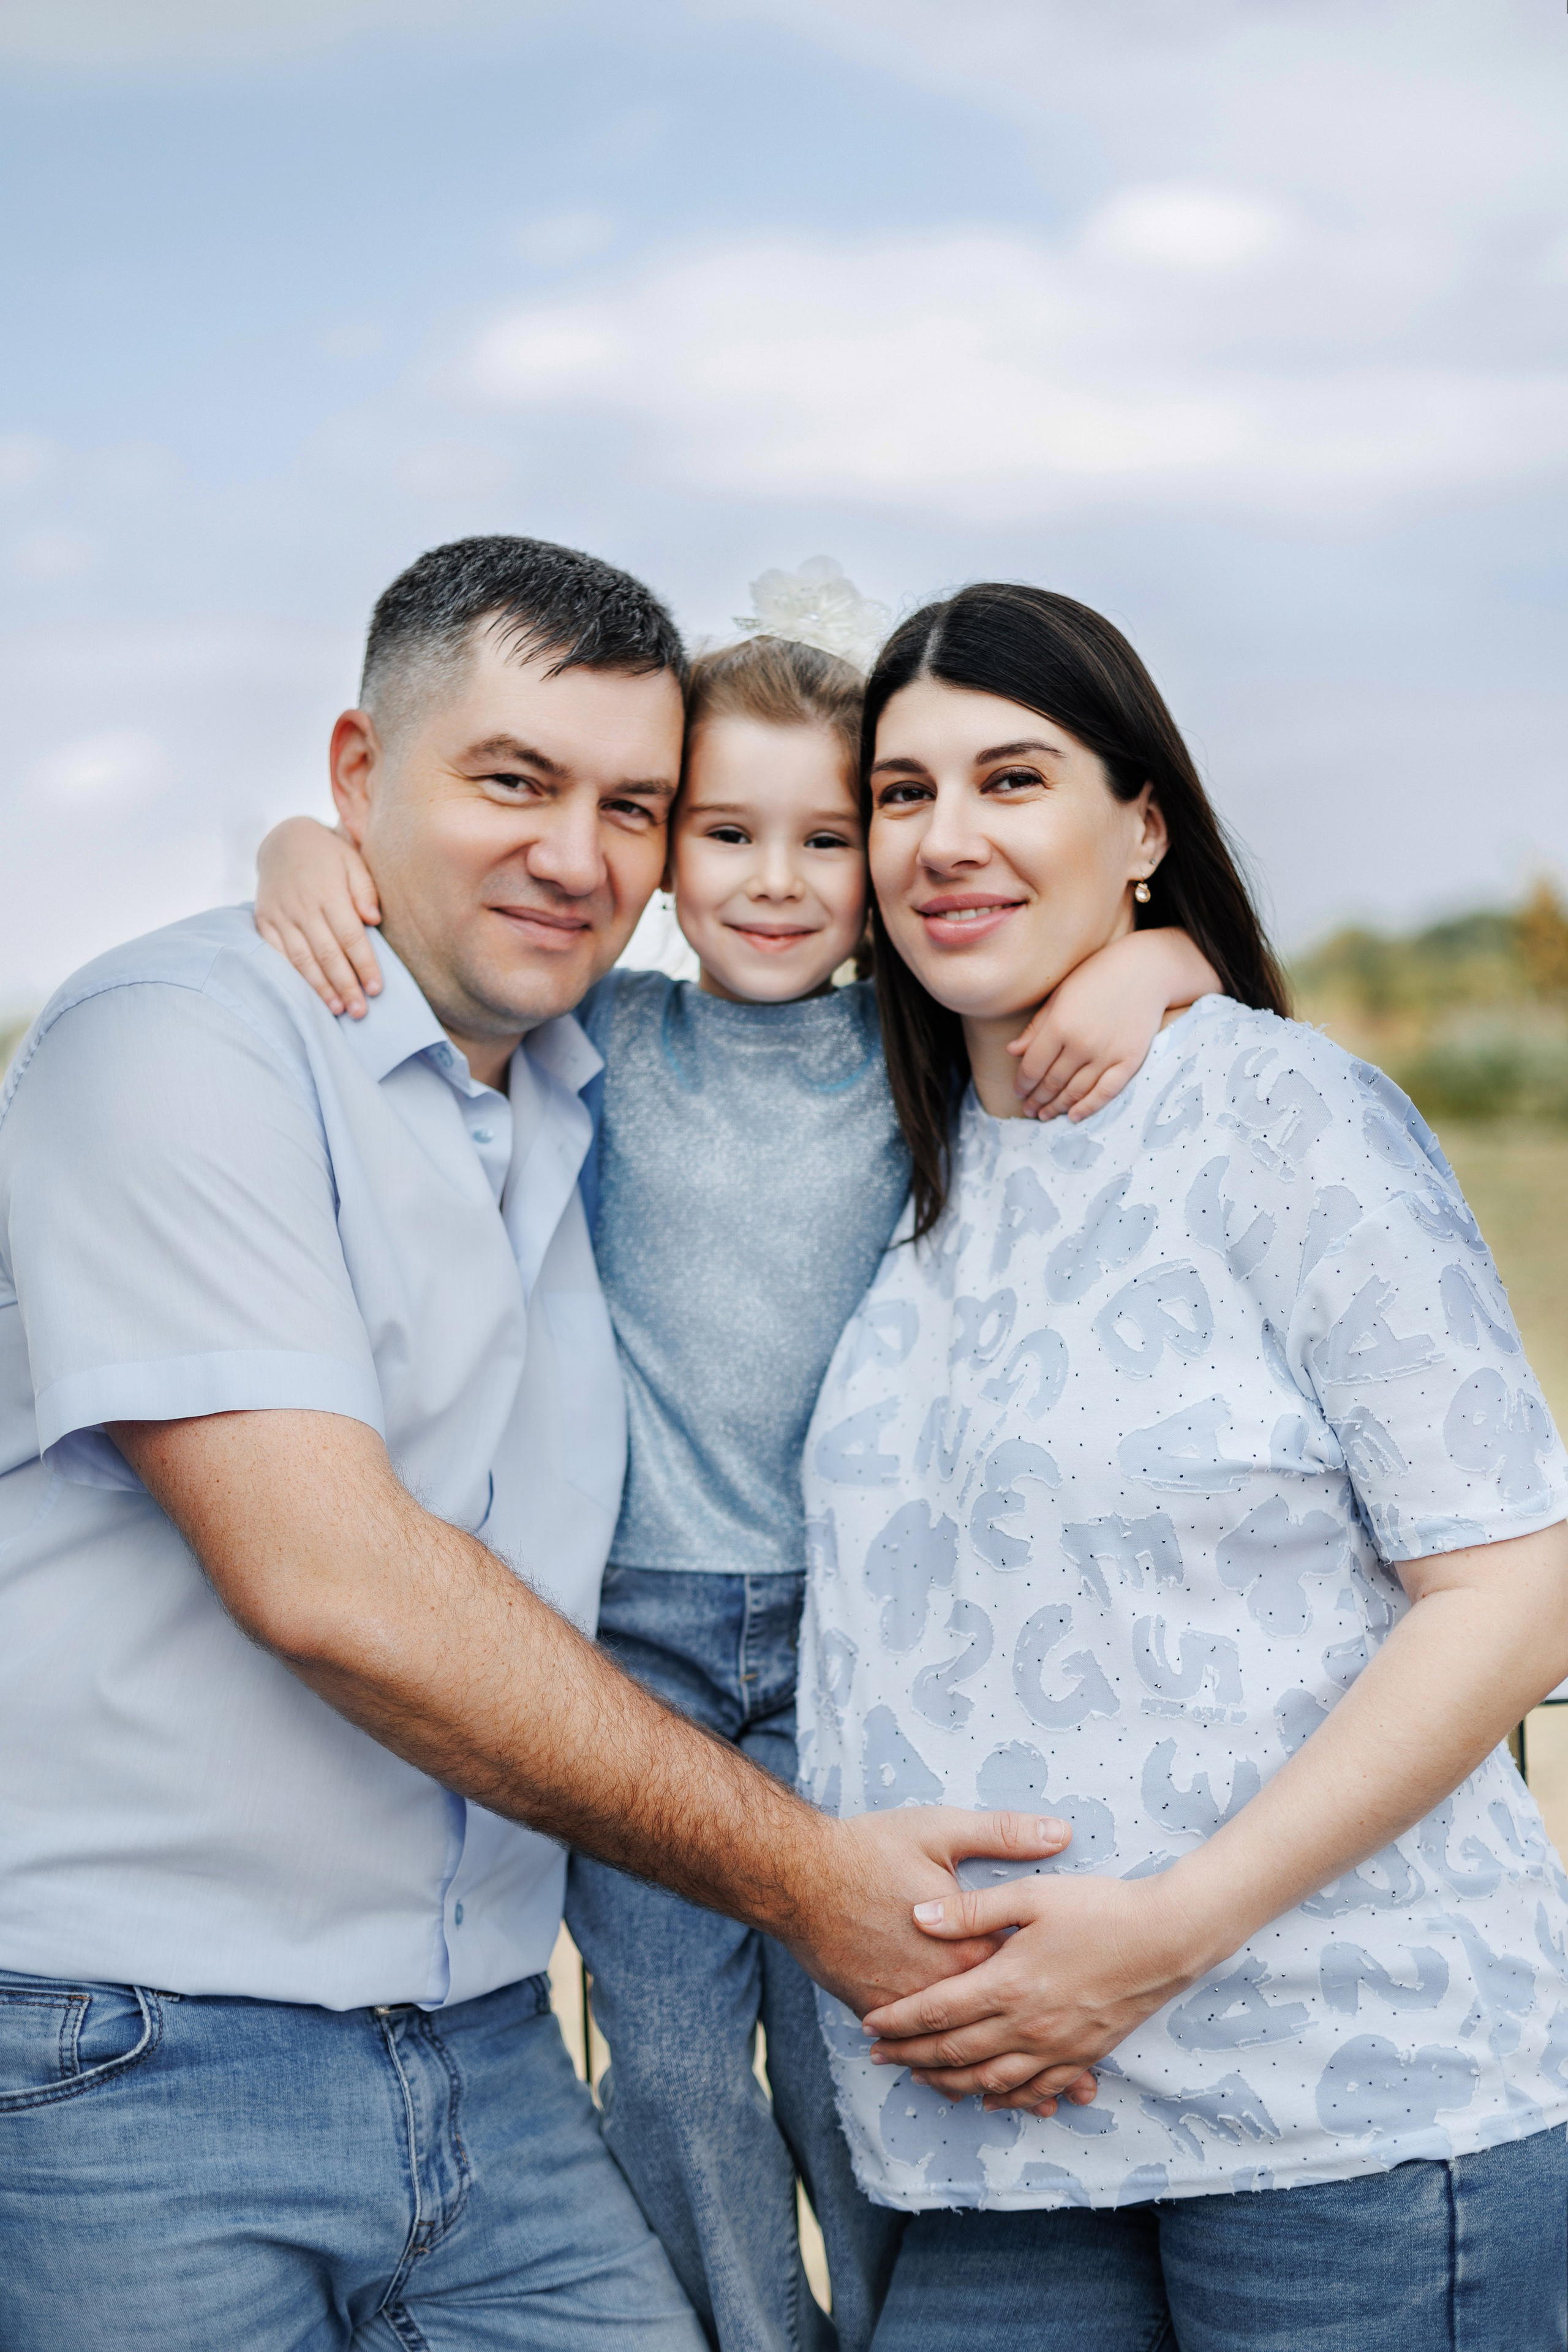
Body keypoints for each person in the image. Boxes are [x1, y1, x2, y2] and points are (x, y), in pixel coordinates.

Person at [0, 537, 1078, 2352]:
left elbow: (998, 974)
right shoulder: (183, 1042)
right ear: (357, 775)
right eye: (511, 781)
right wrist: (805, 1873)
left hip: (488, 2054)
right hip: (143, 2046)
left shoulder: (573, 1080)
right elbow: (330, 1582)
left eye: (630, 807)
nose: (577, 855)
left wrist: (1148, 959)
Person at [254, 574, 1220, 2352]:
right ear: (664, 848)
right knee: (681, 2069)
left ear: (879, 862)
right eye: (721, 831)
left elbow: (1126, 962)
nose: (773, 883)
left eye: (825, 836)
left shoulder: (928, 1053)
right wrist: (299, 857)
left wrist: (1166, 957)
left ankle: (901, 2328)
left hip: (869, 1648)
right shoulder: (595, 1034)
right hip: (637, 1651)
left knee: (869, 2061)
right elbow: (388, 919)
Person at [797, 582, 1568, 2351]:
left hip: (1348, 2104)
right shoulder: (898, 1166)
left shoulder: (1279, 1116)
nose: (948, 838)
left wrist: (1166, 1931)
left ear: (1142, 827)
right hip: (1008, 2133)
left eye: (1013, 778)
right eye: (901, 796)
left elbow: (1517, 1585)